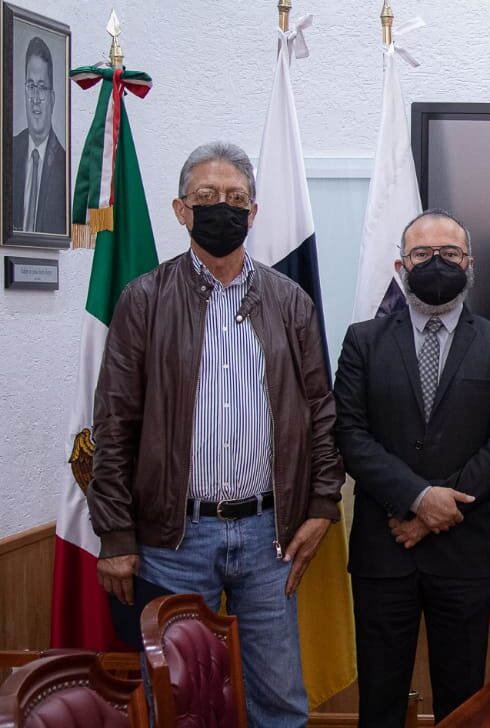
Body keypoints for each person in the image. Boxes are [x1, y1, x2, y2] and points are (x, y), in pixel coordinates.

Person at [88, 141, 341, 727]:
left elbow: (321, 412)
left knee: (279, 701)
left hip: (269, 536)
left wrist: (323, 503)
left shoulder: (289, 301)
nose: (221, 207)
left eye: (235, 197)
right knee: (181, 703)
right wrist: (117, 534)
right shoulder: (143, 300)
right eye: (206, 196)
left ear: (253, 213)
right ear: (181, 210)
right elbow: (114, 423)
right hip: (173, 541)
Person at [334, 209, 490, 727]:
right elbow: (349, 434)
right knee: (380, 700)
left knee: (462, 703)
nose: (436, 263)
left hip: (463, 554)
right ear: (401, 266)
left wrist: (435, 511)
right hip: (383, 552)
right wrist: (419, 498)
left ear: (470, 264)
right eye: (422, 254)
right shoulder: (363, 341)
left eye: (449, 253)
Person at [12, 35, 67, 234]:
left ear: (52, 99)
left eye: (42, 87)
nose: (35, 98)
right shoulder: (9, 153)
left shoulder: (63, 165)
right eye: (31, 86)